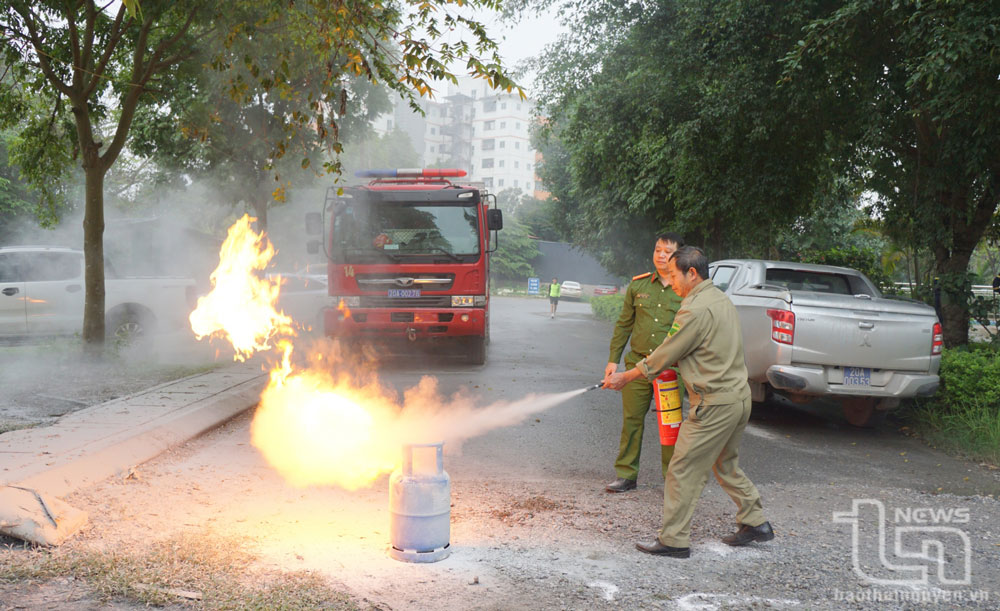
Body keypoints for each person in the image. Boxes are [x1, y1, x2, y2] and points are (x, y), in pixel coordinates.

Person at [604, 246, 773, 558]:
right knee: (725, 463)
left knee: (681, 469)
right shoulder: (720, 299)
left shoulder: (694, 309)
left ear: (692, 273)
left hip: (713, 403)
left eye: (674, 275)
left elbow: (666, 352)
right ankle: (755, 522)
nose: (671, 283)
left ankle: (674, 540)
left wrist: (626, 376)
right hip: (737, 398)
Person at [603, 232, 685, 493]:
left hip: (670, 370)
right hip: (636, 367)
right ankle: (626, 474)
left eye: (667, 251)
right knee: (631, 422)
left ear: (678, 256)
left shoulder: (685, 290)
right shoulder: (638, 286)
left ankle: (672, 480)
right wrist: (613, 360)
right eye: (657, 250)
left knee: (671, 426)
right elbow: (624, 325)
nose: (661, 255)